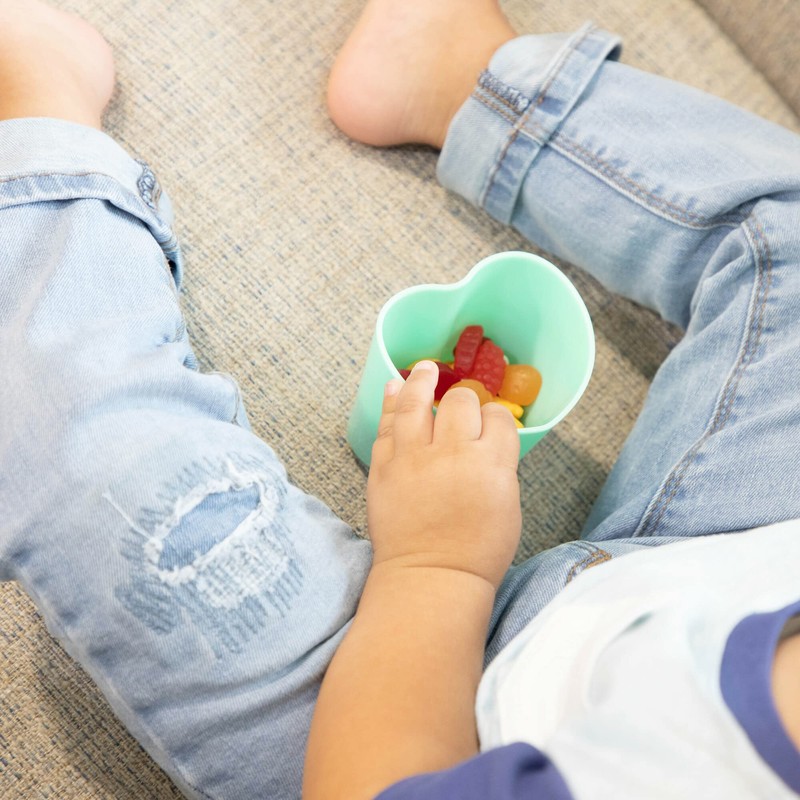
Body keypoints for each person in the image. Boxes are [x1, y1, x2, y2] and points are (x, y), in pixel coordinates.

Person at [2, 0, 800, 798]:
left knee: (92, 450)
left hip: (441, 730)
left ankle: (43, 146)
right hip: (729, 570)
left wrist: (436, 565)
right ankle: (465, 84)